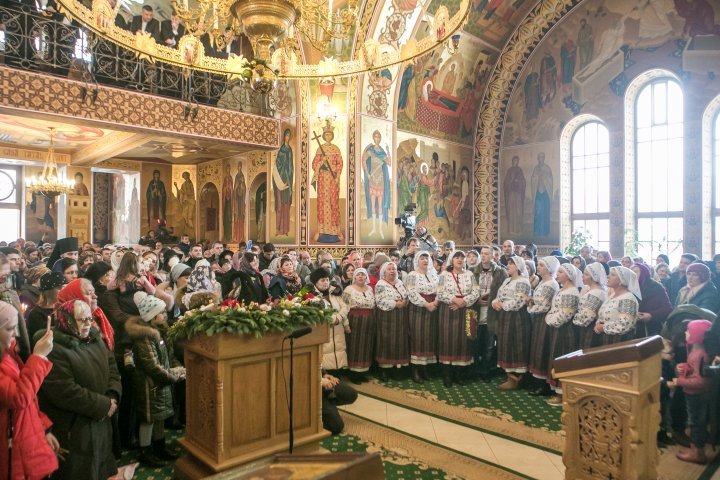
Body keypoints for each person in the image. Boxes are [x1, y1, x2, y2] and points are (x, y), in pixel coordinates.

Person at [38, 300, 121, 480]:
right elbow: (64, 390)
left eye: (90, 318)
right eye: (81, 319)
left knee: (100, 468)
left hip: (101, 418)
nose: (88, 324)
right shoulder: (53, 347)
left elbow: (112, 367)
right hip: (75, 427)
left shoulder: (94, 337)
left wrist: (112, 395)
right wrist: (103, 405)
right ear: (66, 320)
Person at [0, 300, 59, 480]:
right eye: (10, 329)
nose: (15, 335)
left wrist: (43, 429)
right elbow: (20, 397)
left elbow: (30, 398)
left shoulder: (8, 354)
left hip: (25, 439)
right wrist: (39, 356)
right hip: (10, 449)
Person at [128, 292, 184, 467]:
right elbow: (151, 365)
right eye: (161, 313)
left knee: (160, 416)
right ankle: (146, 451)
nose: (164, 314)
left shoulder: (161, 331)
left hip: (161, 383)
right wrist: (172, 376)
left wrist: (177, 368)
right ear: (152, 317)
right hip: (149, 385)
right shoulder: (144, 337)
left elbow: (170, 354)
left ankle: (159, 446)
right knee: (149, 419)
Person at [437, 251, 480, 387]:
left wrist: (464, 302)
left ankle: (458, 374)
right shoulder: (444, 275)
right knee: (448, 340)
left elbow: (476, 291)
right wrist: (454, 300)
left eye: (462, 257)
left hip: (466, 310)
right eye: (457, 257)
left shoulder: (470, 274)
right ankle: (447, 375)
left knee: (463, 341)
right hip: (448, 310)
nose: (460, 259)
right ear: (452, 259)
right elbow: (440, 292)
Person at [675, 320, 713, 464]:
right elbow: (694, 370)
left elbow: (702, 381)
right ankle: (694, 448)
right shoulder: (695, 351)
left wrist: (679, 381)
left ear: (696, 335)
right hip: (692, 394)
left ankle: (699, 453)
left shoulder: (701, 355)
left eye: (689, 331)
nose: (685, 333)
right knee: (693, 421)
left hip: (698, 395)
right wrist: (683, 367)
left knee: (696, 422)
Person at [492, 256, 532, 391]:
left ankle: (516, 378)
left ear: (518, 267)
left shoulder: (522, 282)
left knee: (516, 345)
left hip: (517, 318)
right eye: (508, 263)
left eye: (511, 264)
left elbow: (519, 302)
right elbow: (499, 295)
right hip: (505, 316)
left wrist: (502, 304)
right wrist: (495, 302)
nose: (508, 265)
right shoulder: (508, 280)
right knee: (506, 344)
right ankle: (509, 375)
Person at [545, 264, 582, 406]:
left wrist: (551, 320)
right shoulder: (562, 290)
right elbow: (555, 309)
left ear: (569, 275)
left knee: (562, 358)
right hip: (557, 328)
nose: (558, 274)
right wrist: (550, 318)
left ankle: (563, 393)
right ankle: (557, 391)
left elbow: (566, 314)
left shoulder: (571, 292)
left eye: (561, 272)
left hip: (565, 330)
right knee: (556, 356)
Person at [473, 246, 508, 382]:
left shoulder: (500, 272)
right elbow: (468, 289)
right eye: (482, 253)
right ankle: (475, 369)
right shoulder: (472, 271)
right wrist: (477, 300)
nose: (484, 256)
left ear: (493, 256)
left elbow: (504, 291)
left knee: (489, 343)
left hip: (492, 314)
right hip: (475, 311)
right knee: (475, 342)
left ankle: (485, 370)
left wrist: (492, 301)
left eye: (487, 254)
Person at [527, 256, 560, 396]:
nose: (538, 267)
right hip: (539, 319)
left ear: (549, 268)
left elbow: (543, 305)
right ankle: (536, 381)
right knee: (536, 348)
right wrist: (532, 301)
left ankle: (543, 385)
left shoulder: (551, 284)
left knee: (542, 349)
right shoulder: (543, 282)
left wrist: (530, 305)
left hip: (545, 320)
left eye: (541, 265)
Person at [406, 251, 439, 383]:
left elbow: (440, 290)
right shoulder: (412, 275)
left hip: (433, 308)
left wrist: (435, 302)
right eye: (422, 258)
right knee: (418, 338)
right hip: (418, 309)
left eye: (427, 258)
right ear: (417, 261)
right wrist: (426, 304)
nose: (425, 260)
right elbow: (412, 292)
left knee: (429, 337)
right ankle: (415, 370)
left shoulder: (433, 275)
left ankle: (425, 369)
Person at [309, 268, 349, 374]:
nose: (326, 282)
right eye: (322, 280)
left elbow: (345, 307)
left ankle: (338, 372)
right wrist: (335, 319)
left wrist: (339, 318)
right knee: (326, 353)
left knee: (339, 350)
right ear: (315, 283)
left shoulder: (335, 293)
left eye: (327, 280)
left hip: (338, 329)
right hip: (324, 330)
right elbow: (320, 313)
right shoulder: (311, 296)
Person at [374, 262, 410, 381]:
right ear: (384, 271)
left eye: (394, 269)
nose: (392, 271)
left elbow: (406, 296)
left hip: (400, 317)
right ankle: (385, 370)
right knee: (386, 341)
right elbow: (379, 301)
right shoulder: (380, 284)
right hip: (386, 317)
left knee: (399, 341)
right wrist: (395, 304)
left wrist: (404, 302)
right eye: (389, 269)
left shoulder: (400, 283)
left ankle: (397, 369)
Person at [342, 268, 375, 384]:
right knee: (354, 346)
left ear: (366, 277)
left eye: (363, 275)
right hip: (354, 321)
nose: (361, 277)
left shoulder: (370, 289)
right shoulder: (348, 289)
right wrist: (345, 323)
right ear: (354, 277)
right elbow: (344, 306)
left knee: (366, 346)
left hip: (368, 322)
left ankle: (362, 372)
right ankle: (353, 374)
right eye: (358, 275)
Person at [596, 267, 640, 344]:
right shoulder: (612, 295)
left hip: (618, 341)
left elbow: (625, 325)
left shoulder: (628, 298)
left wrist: (602, 327)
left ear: (621, 281)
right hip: (606, 339)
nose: (608, 276)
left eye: (613, 275)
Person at [632, 262, 672, 338]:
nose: (632, 274)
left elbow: (667, 308)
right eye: (631, 272)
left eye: (635, 272)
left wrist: (651, 315)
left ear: (644, 273)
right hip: (632, 330)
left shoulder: (656, 287)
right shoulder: (628, 288)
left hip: (652, 329)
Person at [574, 262, 607, 349]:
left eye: (586, 274)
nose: (582, 276)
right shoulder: (592, 290)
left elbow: (587, 317)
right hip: (585, 328)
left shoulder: (596, 293)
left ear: (593, 277)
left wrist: (573, 318)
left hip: (590, 329)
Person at [27, 272, 64, 348]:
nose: (63, 290)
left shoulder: (64, 307)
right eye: (59, 287)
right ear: (49, 291)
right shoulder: (36, 314)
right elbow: (40, 338)